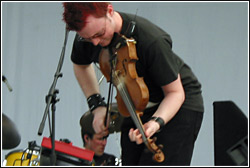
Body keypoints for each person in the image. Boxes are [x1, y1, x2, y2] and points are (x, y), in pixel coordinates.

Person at [62, 2, 204, 166]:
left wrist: (154, 123)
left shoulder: (151, 40)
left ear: (109, 10)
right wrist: (97, 105)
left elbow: (176, 93)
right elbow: (80, 64)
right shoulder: (88, 35)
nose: (95, 42)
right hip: (135, 104)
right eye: (88, 38)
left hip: (178, 102)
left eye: (99, 34)